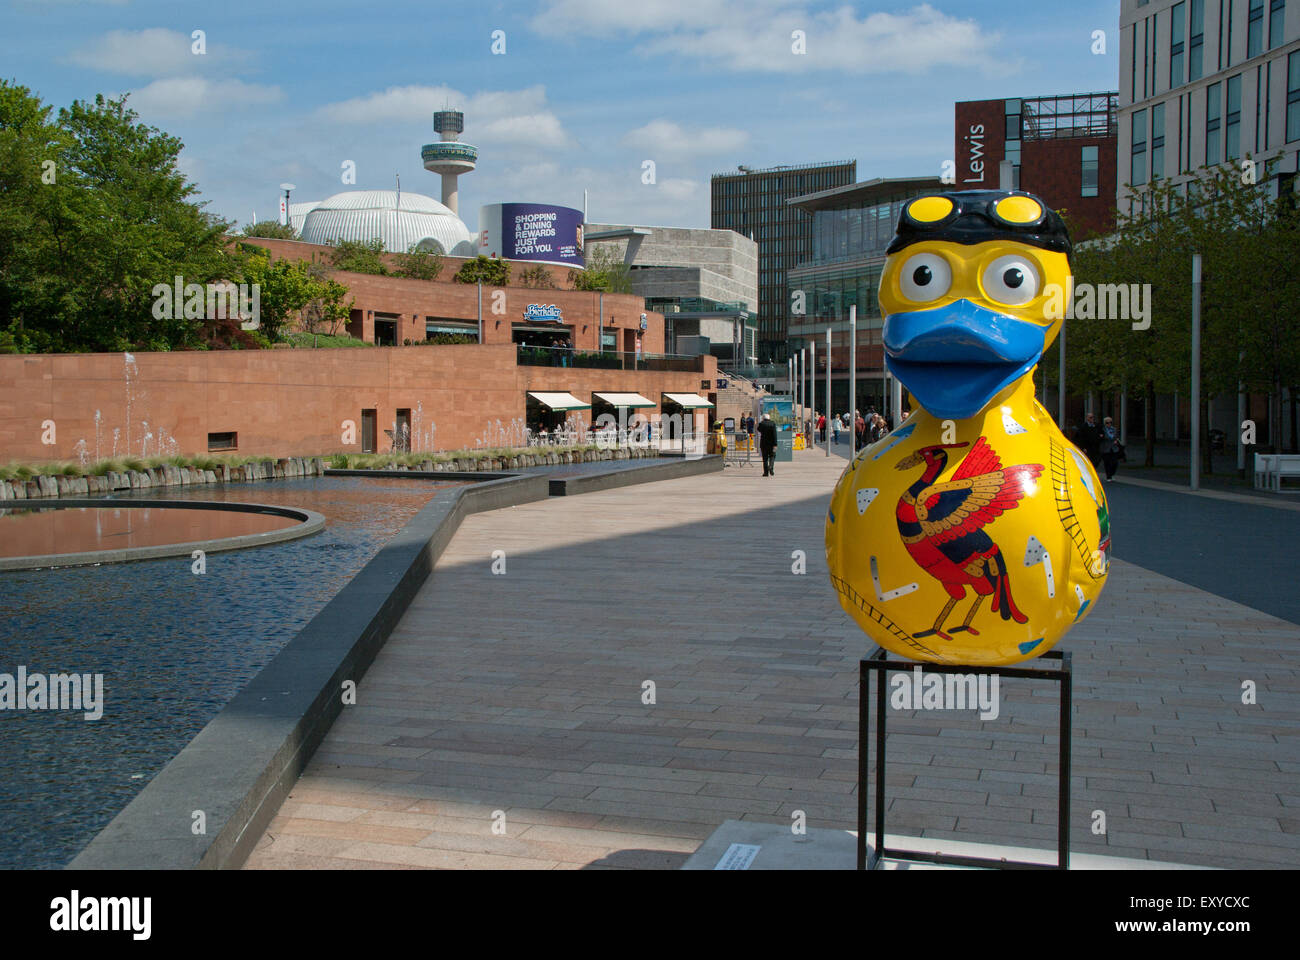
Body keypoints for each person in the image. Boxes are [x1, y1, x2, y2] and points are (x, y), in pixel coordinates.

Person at [1099, 416, 1121, 480]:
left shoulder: (1114, 429)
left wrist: (1116, 441)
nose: (1109, 424)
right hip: (1106, 448)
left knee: (1115, 462)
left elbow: (1117, 437)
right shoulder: (1102, 430)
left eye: (1110, 422)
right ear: (1105, 423)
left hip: (1114, 448)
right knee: (1107, 463)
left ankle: (1112, 473)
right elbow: (1100, 438)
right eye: (1107, 423)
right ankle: (1108, 476)